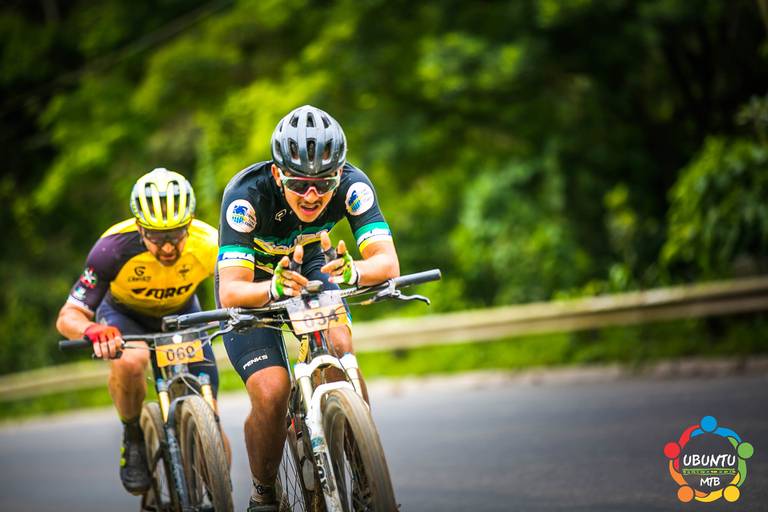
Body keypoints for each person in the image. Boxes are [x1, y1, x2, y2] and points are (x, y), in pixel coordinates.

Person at [216, 105, 400, 510]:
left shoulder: (353, 185)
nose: (312, 196)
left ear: (339, 173)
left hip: (312, 263)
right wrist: (273, 287)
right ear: (278, 174)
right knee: (272, 391)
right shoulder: (245, 196)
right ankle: (264, 492)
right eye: (299, 184)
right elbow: (231, 291)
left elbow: (387, 263)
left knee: (340, 345)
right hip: (254, 279)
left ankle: (367, 480)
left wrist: (354, 272)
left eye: (324, 183)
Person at [56, 168, 228, 495]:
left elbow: (241, 282)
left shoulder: (209, 243)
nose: (168, 248)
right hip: (124, 316)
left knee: (213, 423)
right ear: (139, 228)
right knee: (130, 362)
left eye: (176, 235)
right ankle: (133, 435)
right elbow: (68, 316)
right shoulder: (112, 249)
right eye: (157, 238)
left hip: (181, 314)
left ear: (190, 224)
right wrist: (92, 330)